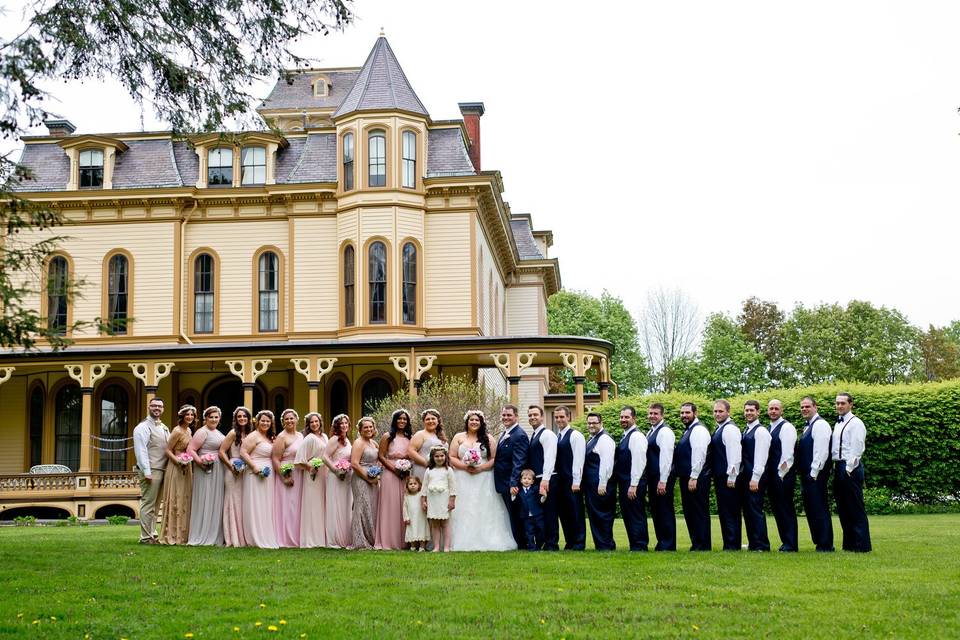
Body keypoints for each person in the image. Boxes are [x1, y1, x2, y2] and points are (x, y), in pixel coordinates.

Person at [448, 409, 516, 551]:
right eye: (471, 420)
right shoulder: (458, 437)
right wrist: (465, 466)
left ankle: (487, 538)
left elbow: (493, 459)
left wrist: (481, 468)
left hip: (483, 477)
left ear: (481, 423)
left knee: (484, 507)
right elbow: (452, 456)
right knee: (463, 508)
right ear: (467, 422)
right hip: (462, 476)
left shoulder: (488, 438)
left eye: (477, 420)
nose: (474, 422)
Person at [832, 393, 872, 552]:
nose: (839, 406)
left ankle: (862, 546)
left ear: (850, 405)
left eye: (843, 403)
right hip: (838, 466)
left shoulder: (856, 423)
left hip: (850, 468)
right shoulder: (838, 423)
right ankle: (849, 544)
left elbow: (857, 448)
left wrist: (848, 469)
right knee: (843, 507)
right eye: (837, 403)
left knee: (855, 507)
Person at [798, 396, 834, 552]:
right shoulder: (808, 426)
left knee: (819, 508)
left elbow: (822, 451)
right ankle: (820, 541)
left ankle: (826, 544)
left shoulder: (820, 425)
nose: (804, 409)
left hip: (816, 475)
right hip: (809, 475)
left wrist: (813, 473)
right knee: (812, 509)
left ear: (815, 407)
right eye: (802, 407)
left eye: (807, 406)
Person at [186, 406, 226, 546]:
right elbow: (191, 449)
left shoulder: (218, 432)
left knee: (216, 499)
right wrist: (201, 463)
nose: (214, 419)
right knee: (205, 498)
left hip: (218, 469)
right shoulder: (202, 432)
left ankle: (215, 534)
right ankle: (202, 533)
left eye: (216, 417)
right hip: (205, 470)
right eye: (211, 417)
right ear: (206, 418)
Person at [133, 397, 169, 544]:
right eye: (154, 406)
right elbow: (141, 450)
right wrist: (146, 471)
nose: (157, 408)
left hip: (162, 469)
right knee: (148, 504)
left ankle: (152, 534)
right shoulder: (142, 427)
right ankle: (145, 537)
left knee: (156, 505)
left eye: (159, 406)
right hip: (151, 470)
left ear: (163, 409)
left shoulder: (163, 427)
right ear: (149, 407)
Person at [240, 409, 278, 549]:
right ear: (257, 421)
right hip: (255, 473)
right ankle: (255, 536)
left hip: (268, 474)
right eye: (263, 420)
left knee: (266, 504)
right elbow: (243, 453)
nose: (265, 423)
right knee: (255, 503)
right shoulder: (253, 436)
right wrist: (254, 467)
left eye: (268, 421)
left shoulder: (270, 438)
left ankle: (266, 533)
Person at [374, 408, 413, 549]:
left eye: (404, 419)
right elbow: (381, 456)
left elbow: (412, 455)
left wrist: (406, 467)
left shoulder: (410, 438)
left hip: (405, 474)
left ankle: (405, 541)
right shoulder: (387, 436)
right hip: (390, 474)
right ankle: (388, 540)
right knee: (390, 506)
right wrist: (394, 469)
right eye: (399, 418)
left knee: (403, 504)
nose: (402, 421)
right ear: (394, 420)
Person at [675, 402, 711, 551]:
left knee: (698, 511)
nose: (684, 415)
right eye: (682, 413)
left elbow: (699, 454)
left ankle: (702, 545)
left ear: (695, 413)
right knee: (691, 512)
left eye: (687, 413)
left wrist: (694, 476)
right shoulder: (689, 430)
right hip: (689, 477)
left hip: (696, 478)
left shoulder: (698, 430)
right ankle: (697, 543)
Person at [493, 404, 529, 549]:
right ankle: (519, 542)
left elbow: (519, 462)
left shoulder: (519, 435)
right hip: (503, 481)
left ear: (516, 416)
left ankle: (522, 543)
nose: (506, 418)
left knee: (516, 514)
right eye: (504, 415)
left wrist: (513, 483)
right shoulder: (506, 433)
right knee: (511, 514)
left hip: (511, 483)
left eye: (509, 415)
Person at [158, 404, 195, 545]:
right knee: (175, 497)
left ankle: (183, 534)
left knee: (185, 498)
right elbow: (167, 450)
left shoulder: (189, 430)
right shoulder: (177, 430)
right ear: (182, 416)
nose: (190, 417)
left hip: (187, 467)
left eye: (192, 415)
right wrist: (178, 462)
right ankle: (171, 534)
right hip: (175, 467)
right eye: (187, 414)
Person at [766, 399, 798, 552]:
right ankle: (785, 542)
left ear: (782, 410)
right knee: (778, 510)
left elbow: (787, 455)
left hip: (782, 476)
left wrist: (781, 474)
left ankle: (791, 544)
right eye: (771, 408)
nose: (773, 411)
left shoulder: (786, 427)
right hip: (773, 476)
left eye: (776, 408)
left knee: (785, 509)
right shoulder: (770, 427)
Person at [615, 406, 648, 551]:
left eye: (626, 417)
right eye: (621, 417)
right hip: (626, 482)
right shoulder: (626, 435)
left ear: (634, 418)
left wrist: (634, 484)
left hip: (633, 482)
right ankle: (635, 544)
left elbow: (639, 461)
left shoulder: (636, 436)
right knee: (629, 515)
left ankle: (640, 545)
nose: (623, 420)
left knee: (635, 514)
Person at [525, 404, 559, 550]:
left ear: (542, 416)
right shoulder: (534, 435)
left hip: (548, 478)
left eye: (535, 415)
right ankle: (544, 542)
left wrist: (545, 481)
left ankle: (552, 544)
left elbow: (550, 458)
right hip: (539, 478)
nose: (532, 417)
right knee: (542, 513)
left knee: (550, 513)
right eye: (530, 415)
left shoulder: (547, 434)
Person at [739, 400, 771, 552]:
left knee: (755, 511)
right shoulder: (746, 430)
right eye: (746, 410)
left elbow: (761, 457)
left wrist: (755, 478)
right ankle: (753, 542)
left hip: (755, 477)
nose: (748, 413)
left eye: (752, 410)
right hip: (746, 476)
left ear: (758, 412)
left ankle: (762, 545)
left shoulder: (761, 432)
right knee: (748, 511)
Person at [552, 406, 586, 550]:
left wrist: (576, 481)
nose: (559, 420)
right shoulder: (557, 436)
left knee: (575, 513)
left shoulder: (575, 435)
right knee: (564, 514)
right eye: (557, 417)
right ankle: (570, 542)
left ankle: (579, 543)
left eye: (562, 417)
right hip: (560, 482)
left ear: (569, 417)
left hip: (572, 482)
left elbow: (579, 460)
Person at [583, 412, 616, 551]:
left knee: (602, 515)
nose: (591, 425)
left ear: (601, 423)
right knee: (595, 515)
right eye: (589, 423)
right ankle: (601, 545)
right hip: (592, 485)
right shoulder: (592, 439)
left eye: (594, 423)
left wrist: (602, 483)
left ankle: (606, 545)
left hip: (600, 485)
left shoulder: (604, 440)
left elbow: (606, 463)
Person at [712, 400, 742, 551]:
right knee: (725, 512)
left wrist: (732, 476)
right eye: (715, 411)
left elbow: (734, 455)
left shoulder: (730, 429)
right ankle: (729, 543)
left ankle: (732, 544)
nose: (717, 414)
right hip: (721, 477)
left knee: (730, 512)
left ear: (728, 412)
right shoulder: (720, 428)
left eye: (720, 411)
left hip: (728, 478)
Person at [646, 403, 676, 551]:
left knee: (664, 510)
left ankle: (668, 544)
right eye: (650, 413)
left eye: (655, 413)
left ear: (662, 415)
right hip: (653, 478)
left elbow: (666, 458)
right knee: (657, 511)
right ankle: (661, 542)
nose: (652, 416)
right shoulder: (651, 432)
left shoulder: (665, 432)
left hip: (662, 478)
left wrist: (663, 480)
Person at [219, 406, 251, 548]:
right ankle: (232, 537)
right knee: (233, 501)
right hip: (233, 469)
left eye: (244, 416)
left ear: (249, 419)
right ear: (235, 419)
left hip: (247, 470)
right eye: (239, 417)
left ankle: (245, 535)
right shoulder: (233, 433)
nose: (242, 419)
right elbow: (221, 452)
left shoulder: (251, 434)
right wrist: (231, 466)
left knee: (244, 502)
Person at [272, 408, 304, 548]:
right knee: (287, 506)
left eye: (292, 418)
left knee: (297, 506)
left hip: (299, 473)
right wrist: (284, 477)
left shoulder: (301, 436)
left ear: (296, 419)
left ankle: (297, 536)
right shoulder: (281, 437)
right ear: (283, 422)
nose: (290, 421)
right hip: (287, 471)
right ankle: (285, 538)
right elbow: (275, 459)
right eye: (287, 419)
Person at [295, 412, 328, 548]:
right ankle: (312, 539)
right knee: (313, 505)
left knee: (322, 505)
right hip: (312, 477)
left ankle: (323, 537)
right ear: (308, 425)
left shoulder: (325, 436)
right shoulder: (309, 438)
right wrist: (311, 467)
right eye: (311, 422)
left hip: (324, 475)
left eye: (316, 421)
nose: (315, 424)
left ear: (320, 422)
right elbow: (298, 461)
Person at [350, 416, 381, 550]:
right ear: (360, 430)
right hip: (360, 478)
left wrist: (377, 474)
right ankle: (360, 540)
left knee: (370, 507)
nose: (368, 429)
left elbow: (378, 460)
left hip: (373, 478)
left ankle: (371, 538)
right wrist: (368, 478)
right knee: (361, 507)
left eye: (370, 427)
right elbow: (355, 464)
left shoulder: (373, 443)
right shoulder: (359, 442)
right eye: (365, 427)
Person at [323, 414, 353, 549]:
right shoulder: (335, 439)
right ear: (337, 426)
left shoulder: (347, 440)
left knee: (345, 506)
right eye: (341, 423)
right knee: (336, 506)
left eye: (346, 423)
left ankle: (345, 537)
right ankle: (334, 539)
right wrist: (336, 471)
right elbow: (325, 457)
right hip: (335, 477)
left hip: (346, 476)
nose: (344, 425)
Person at [421, 445, 457, 552]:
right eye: (437, 456)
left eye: (442, 456)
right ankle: (436, 546)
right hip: (432, 500)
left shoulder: (448, 470)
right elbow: (424, 486)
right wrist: (423, 501)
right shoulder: (429, 470)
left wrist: (452, 500)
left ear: (445, 457)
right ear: (432, 457)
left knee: (445, 523)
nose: (440, 458)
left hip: (444, 500)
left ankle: (446, 547)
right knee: (434, 524)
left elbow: (453, 486)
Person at [408, 408, 445, 482]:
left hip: (439, 471)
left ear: (438, 421)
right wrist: (427, 463)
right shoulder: (420, 434)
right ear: (424, 422)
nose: (430, 421)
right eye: (427, 419)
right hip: (423, 469)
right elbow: (411, 452)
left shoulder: (441, 436)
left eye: (433, 419)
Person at [518, 468, 545, 551]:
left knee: (540, 530)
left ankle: (539, 545)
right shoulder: (519, 491)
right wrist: (513, 496)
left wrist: (544, 496)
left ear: (532, 481)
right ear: (521, 480)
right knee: (529, 532)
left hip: (537, 515)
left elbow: (540, 500)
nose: (526, 481)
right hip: (526, 516)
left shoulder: (535, 489)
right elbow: (516, 502)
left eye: (529, 479)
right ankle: (531, 547)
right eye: (524, 478)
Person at [402, 476, 429, 551]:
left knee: (422, 530)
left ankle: (422, 547)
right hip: (411, 518)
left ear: (419, 485)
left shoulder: (421, 495)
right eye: (410, 484)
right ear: (407, 486)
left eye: (415, 483)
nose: (413, 485)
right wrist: (406, 517)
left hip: (421, 518)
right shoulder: (406, 496)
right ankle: (413, 546)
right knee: (412, 531)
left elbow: (425, 503)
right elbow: (404, 508)